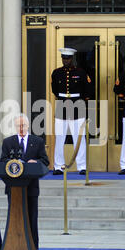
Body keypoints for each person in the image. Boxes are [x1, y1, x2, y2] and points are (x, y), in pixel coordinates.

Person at [0, 114, 49, 250]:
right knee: (15, 218)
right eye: (18, 126)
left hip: (31, 188)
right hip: (13, 188)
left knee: (32, 219)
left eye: (23, 125)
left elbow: (45, 161)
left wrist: (36, 162)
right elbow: (2, 161)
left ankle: (34, 249)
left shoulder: (37, 141)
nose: (21, 128)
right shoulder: (8, 142)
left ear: (28, 126)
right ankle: (13, 248)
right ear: (15, 127)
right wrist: (11, 163)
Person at [51, 47, 92, 175]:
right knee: (59, 137)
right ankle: (58, 166)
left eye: (68, 58)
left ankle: (82, 166)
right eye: (64, 58)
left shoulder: (80, 72)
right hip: (62, 103)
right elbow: (55, 89)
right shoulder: (56, 72)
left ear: (72, 59)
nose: (65, 60)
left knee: (79, 137)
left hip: (77, 104)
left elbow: (87, 89)